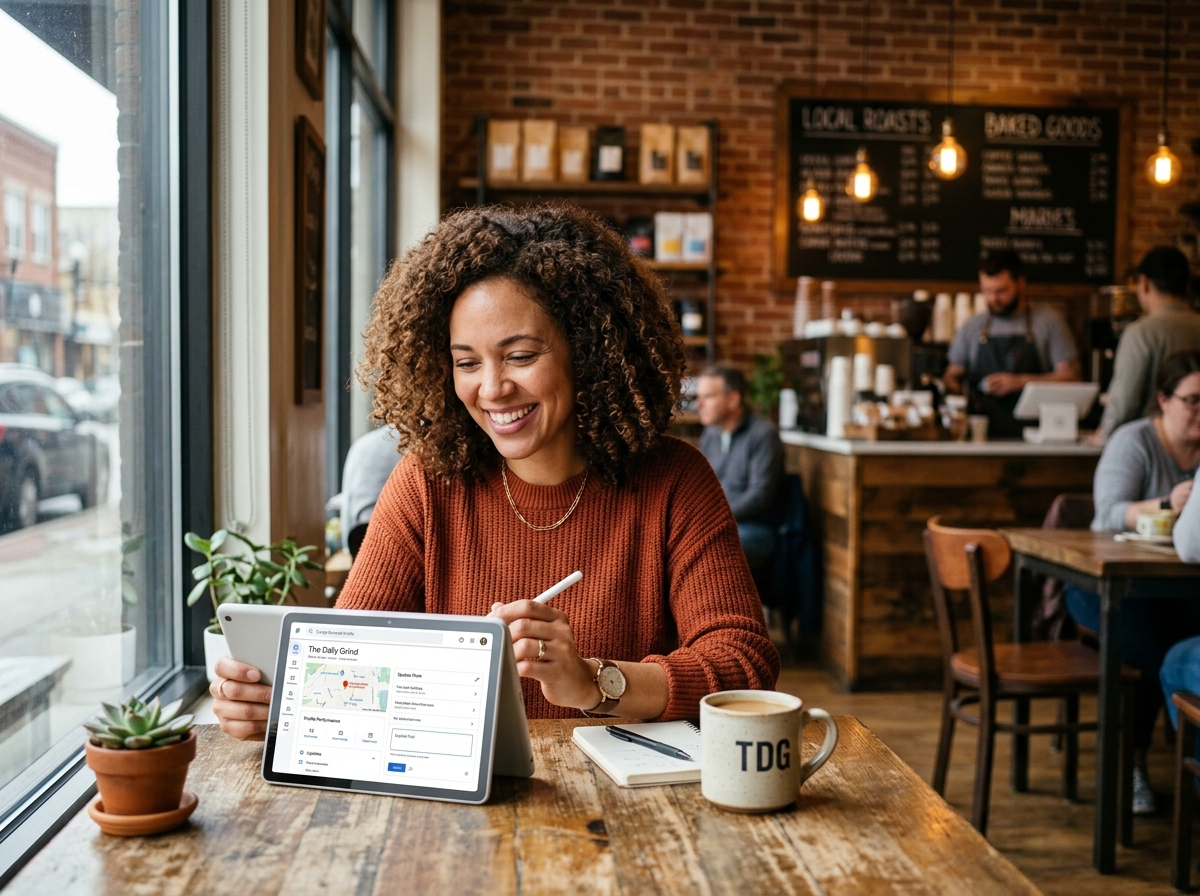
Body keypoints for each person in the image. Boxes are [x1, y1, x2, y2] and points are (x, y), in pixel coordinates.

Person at [209, 204, 780, 738]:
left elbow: (743, 661)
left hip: (623, 796)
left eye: (521, 356)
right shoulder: (426, 483)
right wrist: (284, 700)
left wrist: (594, 681)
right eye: (466, 362)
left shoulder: (674, 480)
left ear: (588, 350)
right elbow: (353, 652)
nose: (492, 388)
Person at [1066, 350, 1200, 813]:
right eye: (1192, 400)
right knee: (1149, 646)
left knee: (1186, 638)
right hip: (1102, 583)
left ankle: (1186, 762)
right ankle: (1132, 762)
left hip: (1176, 585)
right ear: (1163, 399)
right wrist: (1166, 504)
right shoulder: (1135, 441)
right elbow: (1106, 514)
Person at [944, 250, 1081, 438]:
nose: (993, 299)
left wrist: (1021, 382)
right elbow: (952, 375)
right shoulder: (971, 327)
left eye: (1001, 291)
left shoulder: (1049, 323)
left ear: (1020, 283)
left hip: (1037, 435)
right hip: (981, 435)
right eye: (987, 291)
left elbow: (1072, 378)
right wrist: (956, 386)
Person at [1094, 246, 1200, 443]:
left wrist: (1104, 437)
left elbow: (1124, 401)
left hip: (1153, 445)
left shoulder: (1140, 333)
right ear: (1187, 285)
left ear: (1144, 283)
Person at [696, 365, 784, 567]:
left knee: (707, 548)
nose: (699, 404)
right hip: (716, 523)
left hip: (755, 527)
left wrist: (714, 516)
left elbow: (760, 496)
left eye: (708, 396)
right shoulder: (711, 434)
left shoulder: (763, 435)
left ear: (733, 400)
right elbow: (699, 484)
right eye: (698, 397)